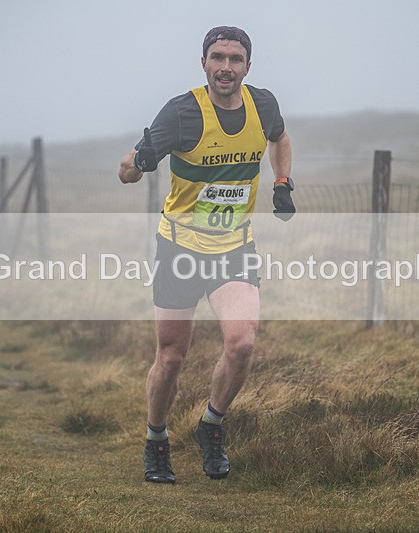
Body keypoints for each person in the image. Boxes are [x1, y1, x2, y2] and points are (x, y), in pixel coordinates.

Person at [118, 26, 295, 484]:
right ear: (204, 64)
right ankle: (156, 439)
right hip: (179, 247)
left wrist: (281, 183)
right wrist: (137, 164)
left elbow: (280, 137)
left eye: (236, 59)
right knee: (172, 356)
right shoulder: (181, 114)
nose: (226, 67)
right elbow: (127, 169)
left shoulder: (264, 105)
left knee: (242, 344)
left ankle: (211, 426)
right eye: (218, 57)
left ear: (247, 67)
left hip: (234, 246)